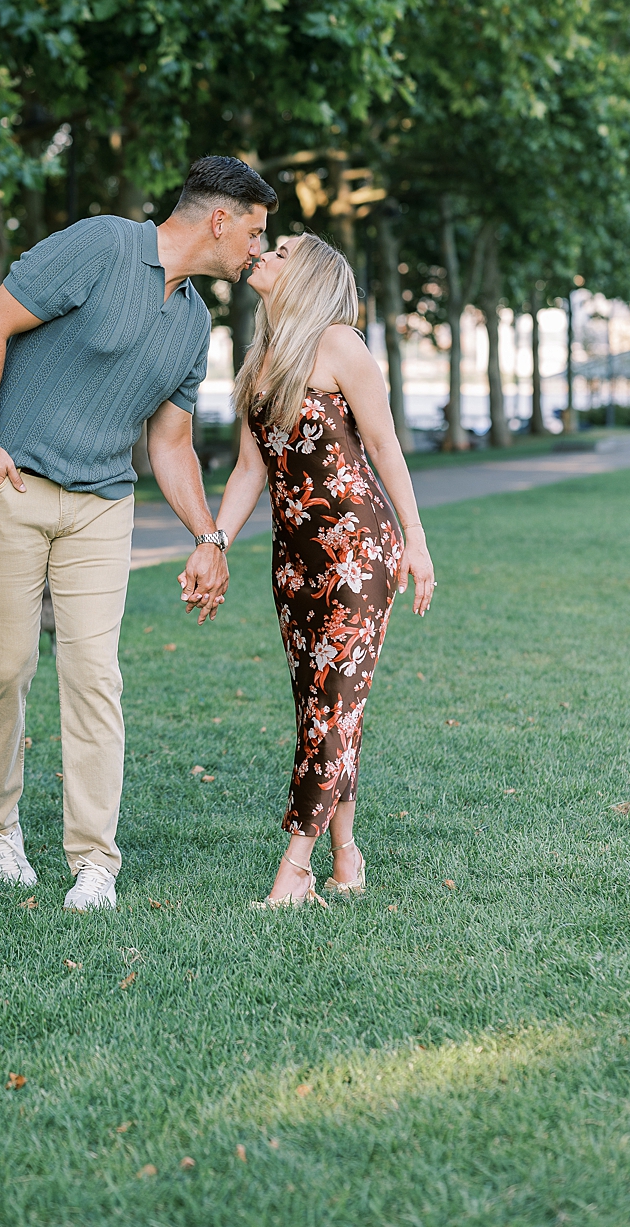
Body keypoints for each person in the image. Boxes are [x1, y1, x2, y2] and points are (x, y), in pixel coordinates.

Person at [0, 155, 275, 911]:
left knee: (95, 673)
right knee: (6, 666)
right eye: (256, 232)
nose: (258, 250)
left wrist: (209, 535)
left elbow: (168, 445)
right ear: (220, 220)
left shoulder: (195, 322)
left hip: (103, 505)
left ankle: (94, 860)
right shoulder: (103, 246)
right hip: (14, 483)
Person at [205, 233, 435, 908]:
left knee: (329, 712)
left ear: (306, 274)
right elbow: (250, 469)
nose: (264, 254)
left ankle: (294, 871)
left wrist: (415, 542)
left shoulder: (341, 345)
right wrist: (216, 540)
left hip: (358, 553)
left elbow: (386, 447)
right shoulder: (259, 361)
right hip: (293, 561)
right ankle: (346, 859)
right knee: (323, 709)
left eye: (280, 250)